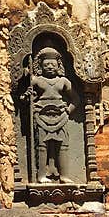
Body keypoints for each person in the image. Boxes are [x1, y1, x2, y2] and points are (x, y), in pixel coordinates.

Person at [27, 47, 76, 183]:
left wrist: (68, 110)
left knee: (62, 145)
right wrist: (28, 91)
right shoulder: (36, 80)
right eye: (46, 64)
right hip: (41, 115)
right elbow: (25, 96)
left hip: (61, 116)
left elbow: (75, 99)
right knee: (42, 146)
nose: (49, 67)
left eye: (53, 64)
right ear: (40, 66)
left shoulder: (63, 81)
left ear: (58, 65)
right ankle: (41, 175)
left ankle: (64, 175)